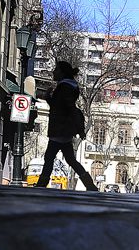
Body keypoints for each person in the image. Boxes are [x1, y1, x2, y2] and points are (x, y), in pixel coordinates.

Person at [35, 60, 98, 191]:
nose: (53, 72)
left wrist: (80, 129)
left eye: (56, 70)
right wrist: (48, 98)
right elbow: (61, 106)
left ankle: (41, 184)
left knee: (49, 158)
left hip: (60, 129)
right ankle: (89, 184)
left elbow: (68, 108)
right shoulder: (68, 87)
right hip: (64, 131)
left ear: (62, 73)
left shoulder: (65, 87)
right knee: (69, 160)